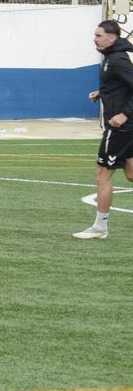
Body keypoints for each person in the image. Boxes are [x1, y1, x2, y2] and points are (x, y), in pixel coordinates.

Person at [75, 19, 133, 239]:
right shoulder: (110, 58)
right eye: (95, 34)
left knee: (102, 175)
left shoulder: (118, 59)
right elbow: (120, 85)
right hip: (127, 126)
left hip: (120, 126)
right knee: (131, 174)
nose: (94, 39)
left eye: (99, 35)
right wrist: (102, 92)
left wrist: (124, 113)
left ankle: (100, 227)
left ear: (112, 38)